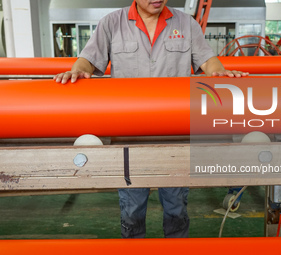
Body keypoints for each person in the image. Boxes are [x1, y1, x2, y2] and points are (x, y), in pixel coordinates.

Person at [54, 0, 248, 238]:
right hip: (129, 139)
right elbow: (89, 60)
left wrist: (220, 73)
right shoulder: (111, 24)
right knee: (132, 212)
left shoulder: (186, 24)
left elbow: (207, 61)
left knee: (176, 211)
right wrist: (77, 69)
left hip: (174, 137)